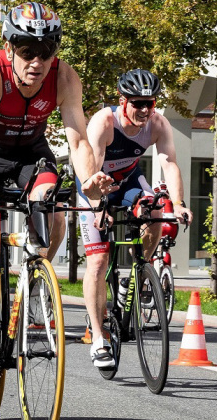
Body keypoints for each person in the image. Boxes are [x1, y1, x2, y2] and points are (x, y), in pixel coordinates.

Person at [0, 1, 113, 408]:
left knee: (54, 206)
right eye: (27, 51)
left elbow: (77, 139)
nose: (37, 61)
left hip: (31, 155)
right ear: (9, 48)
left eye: (46, 51)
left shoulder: (64, 77)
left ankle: (35, 273)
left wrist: (89, 180)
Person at [79, 69, 192, 369]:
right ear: (123, 101)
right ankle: (98, 337)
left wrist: (179, 204)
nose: (144, 110)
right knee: (98, 262)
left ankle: (141, 269)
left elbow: (169, 164)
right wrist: (98, 206)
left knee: (156, 208)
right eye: (137, 103)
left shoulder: (157, 123)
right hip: (95, 185)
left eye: (149, 103)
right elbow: (92, 169)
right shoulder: (104, 122)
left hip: (128, 181)